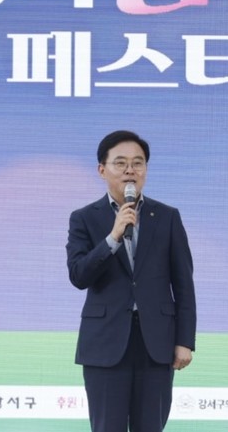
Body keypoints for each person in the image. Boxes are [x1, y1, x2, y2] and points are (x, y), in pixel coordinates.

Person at [66, 130, 197, 432]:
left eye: (138, 163)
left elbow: (183, 285)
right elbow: (79, 275)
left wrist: (184, 341)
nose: (130, 170)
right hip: (105, 343)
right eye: (121, 163)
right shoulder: (84, 218)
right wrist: (113, 237)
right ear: (102, 170)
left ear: (146, 170)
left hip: (156, 343)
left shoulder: (167, 217)